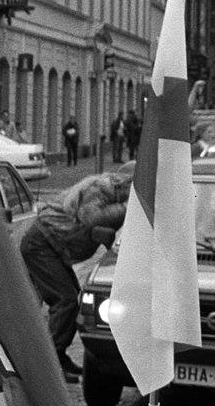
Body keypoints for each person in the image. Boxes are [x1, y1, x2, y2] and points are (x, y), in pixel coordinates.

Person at [19, 162, 133, 388]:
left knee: (73, 300)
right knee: (65, 301)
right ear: (126, 184)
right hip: (42, 243)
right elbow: (91, 217)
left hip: (53, 245)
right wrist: (129, 208)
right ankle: (49, 364)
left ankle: (58, 357)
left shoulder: (112, 194)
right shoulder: (100, 189)